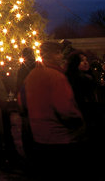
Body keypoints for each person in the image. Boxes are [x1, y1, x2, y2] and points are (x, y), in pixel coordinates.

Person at [21, 41, 84, 180]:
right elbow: (65, 108)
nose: (62, 56)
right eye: (59, 52)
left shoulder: (31, 76)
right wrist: (78, 122)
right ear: (54, 54)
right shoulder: (56, 76)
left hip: (39, 136)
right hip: (60, 138)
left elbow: (22, 102)